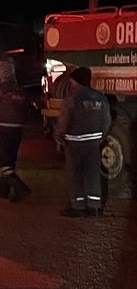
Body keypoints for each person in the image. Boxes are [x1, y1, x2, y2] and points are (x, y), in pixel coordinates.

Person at [54, 66, 112, 217]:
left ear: (76, 80)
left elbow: (64, 121)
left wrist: (59, 136)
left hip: (74, 143)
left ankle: (79, 207)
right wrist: (101, 137)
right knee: (93, 174)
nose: (71, 82)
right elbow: (106, 121)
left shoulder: (72, 98)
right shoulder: (101, 98)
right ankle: (94, 207)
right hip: (93, 143)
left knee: (76, 175)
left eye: (72, 79)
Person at [0, 59, 31, 202]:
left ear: (0, 73)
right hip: (18, 129)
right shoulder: (20, 90)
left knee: (2, 160)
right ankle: (3, 190)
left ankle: (21, 188)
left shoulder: (1, 88)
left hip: (2, 128)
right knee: (10, 160)